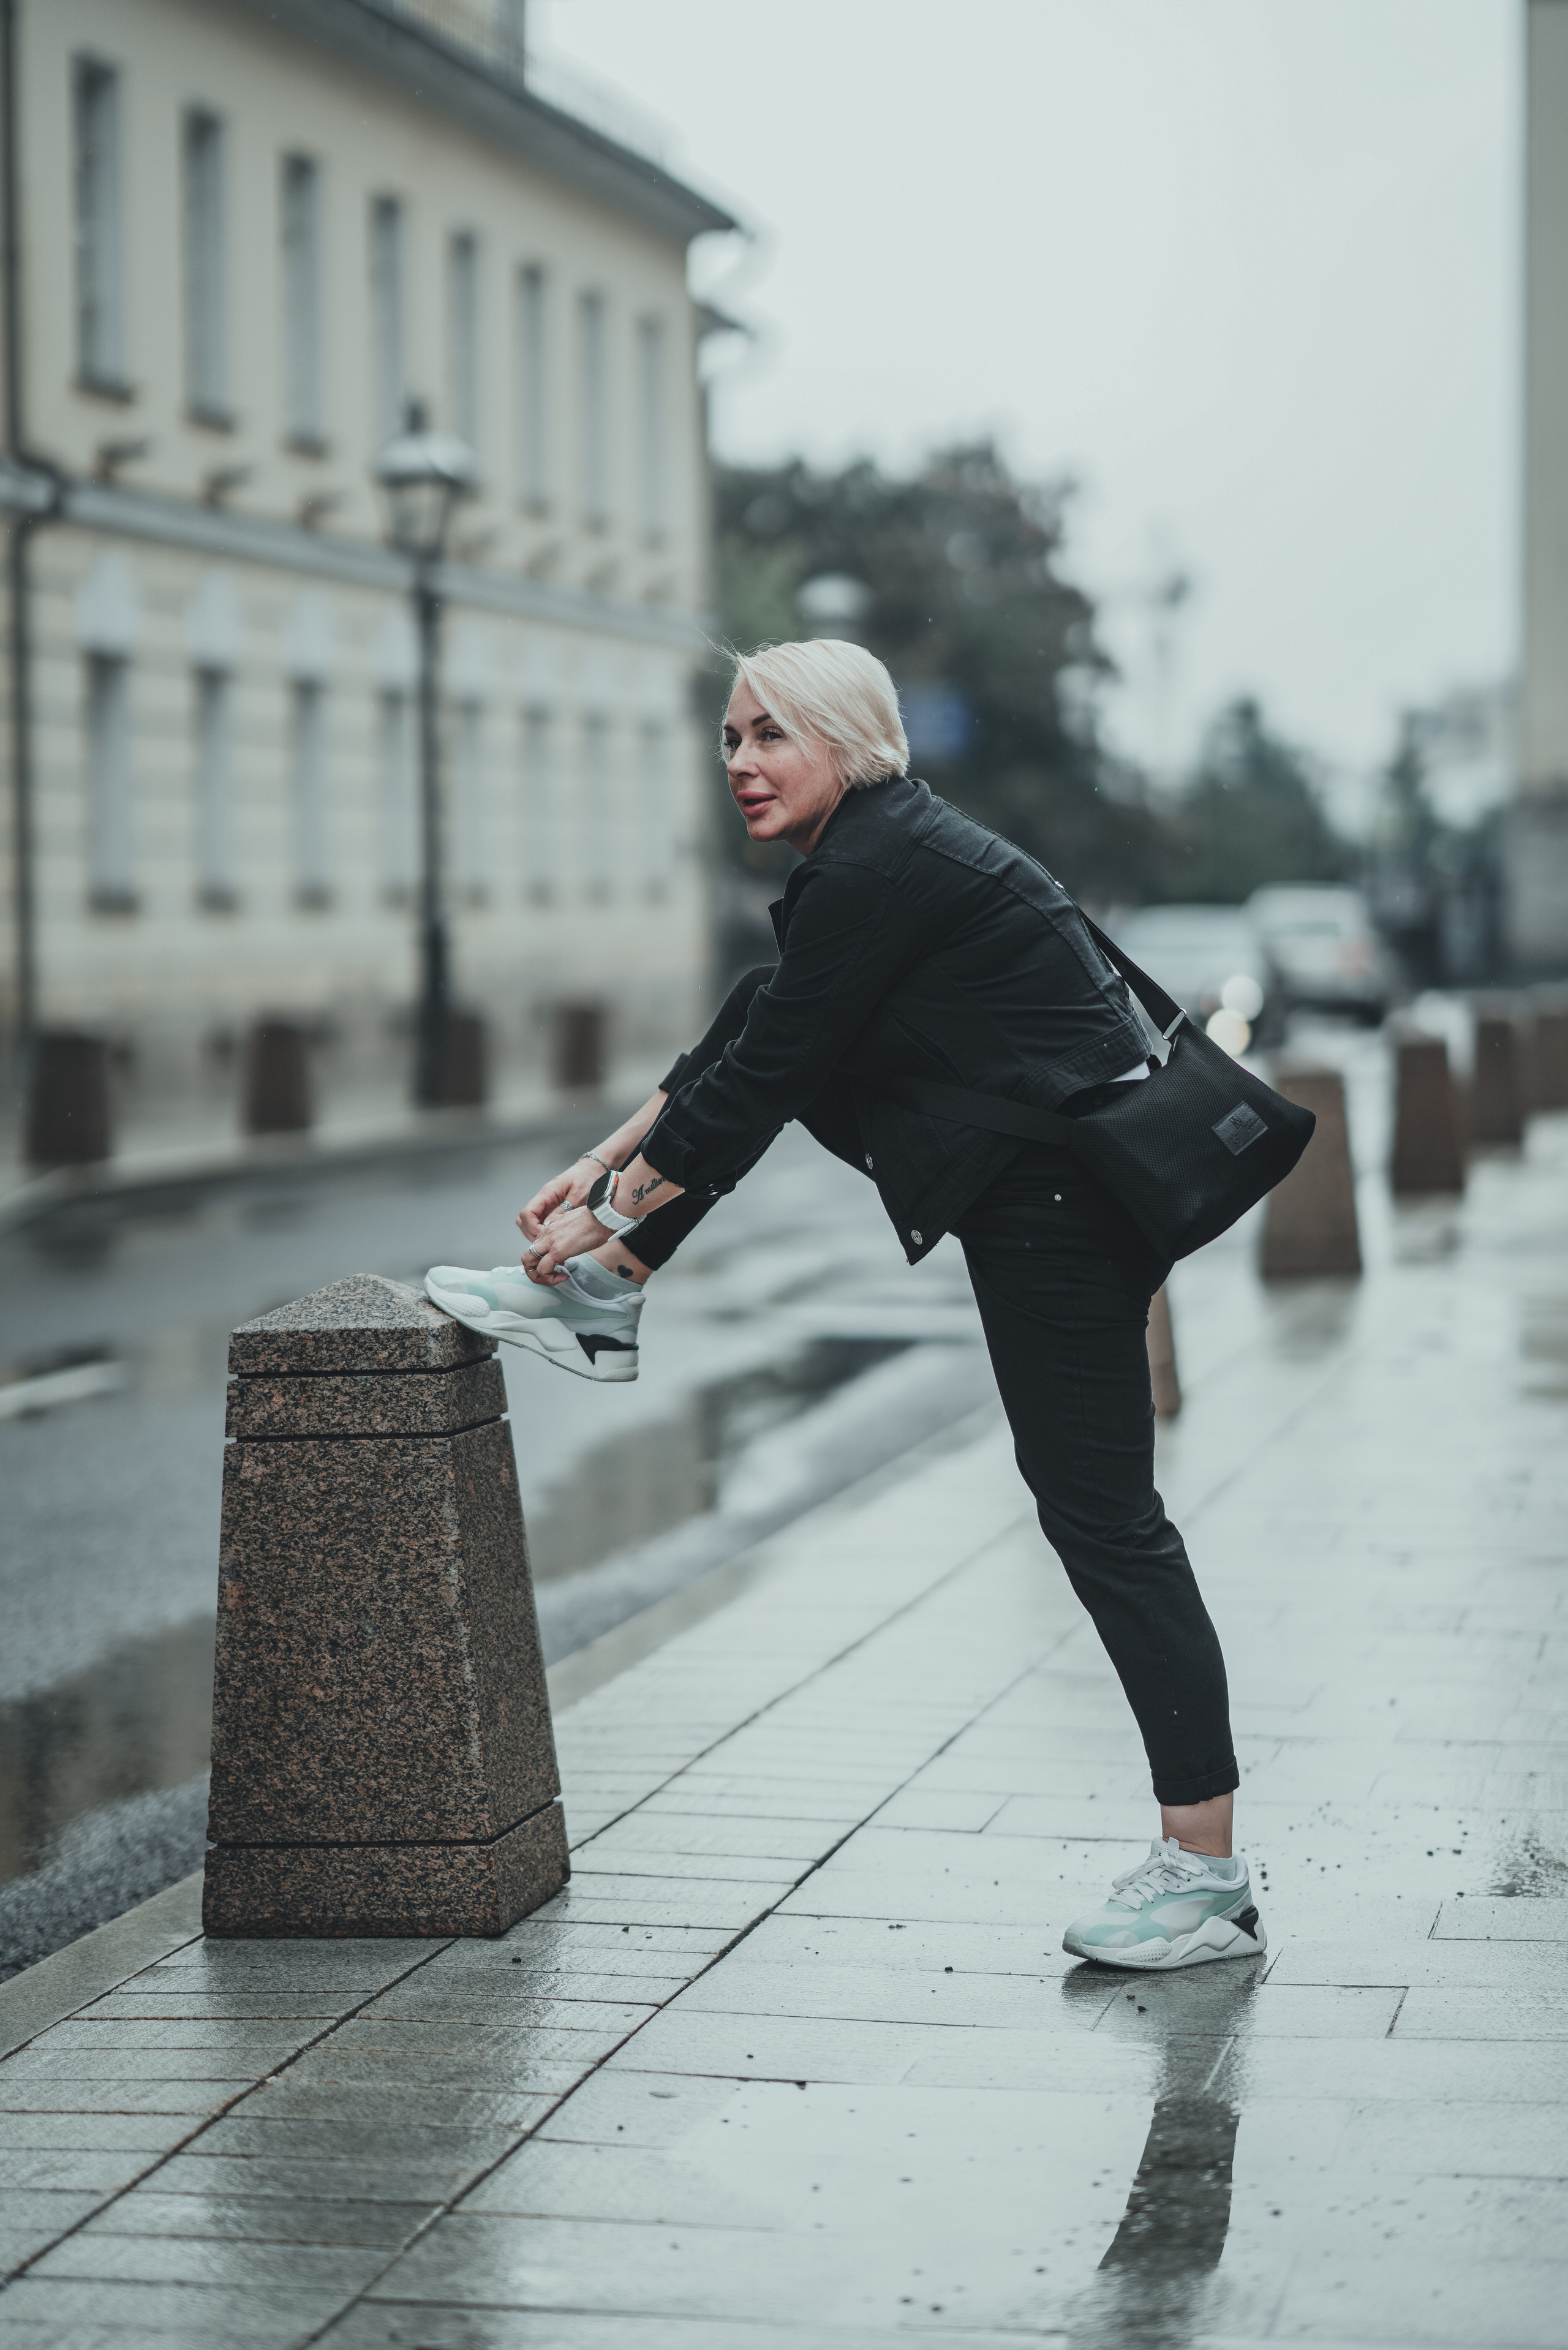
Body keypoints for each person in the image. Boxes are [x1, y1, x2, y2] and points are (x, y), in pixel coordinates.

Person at [425, 638, 1262, 1974]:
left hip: (1063, 1206)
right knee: (769, 1007)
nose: (743, 764)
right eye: (730, 739)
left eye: (772, 736)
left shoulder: (875, 865)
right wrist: (602, 1178)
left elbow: (759, 1081)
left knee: (1102, 1517)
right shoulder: (878, 851)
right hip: (1035, 1184)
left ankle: (1203, 1874)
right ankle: (610, 1298)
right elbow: (770, 1035)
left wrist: (605, 1202)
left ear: (846, 740)